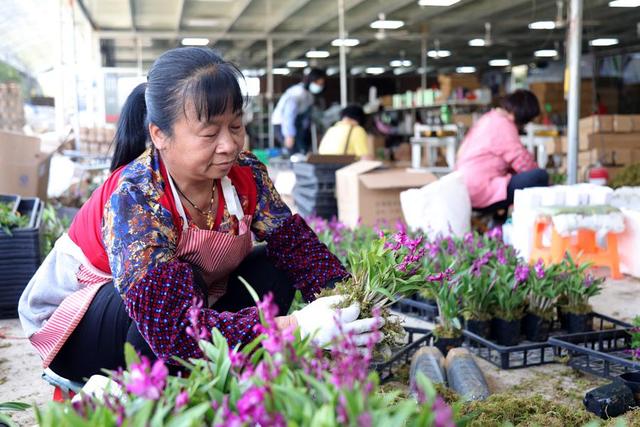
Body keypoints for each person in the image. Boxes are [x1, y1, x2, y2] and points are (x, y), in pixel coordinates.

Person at [18, 48, 381, 383]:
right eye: (210, 133)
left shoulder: (245, 175)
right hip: (77, 330)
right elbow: (170, 328)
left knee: (276, 262)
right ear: (159, 135)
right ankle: (155, 389)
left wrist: (354, 307)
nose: (229, 145)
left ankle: (231, 368)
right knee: (179, 282)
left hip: (183, 308)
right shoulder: (137, 195)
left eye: (236, 126)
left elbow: (299, 249)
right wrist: (293, 328)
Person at [455, 89, 549, 217]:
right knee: (539, 177)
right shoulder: (503, 125)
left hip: (464, 189)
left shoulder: (489, 119)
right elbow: (524, 164)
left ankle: (498, 225)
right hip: (480, 191)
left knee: (509, 178)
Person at [272, 68, 325, 155]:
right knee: (292, 149)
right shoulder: (297, 93)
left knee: (302, 148)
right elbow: (288, 115)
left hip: (296, 122)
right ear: (310, 81)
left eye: (321, 84)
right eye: (317, 83)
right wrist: (289, 135)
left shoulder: (309, 95)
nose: (319, 86)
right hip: (282, 123)